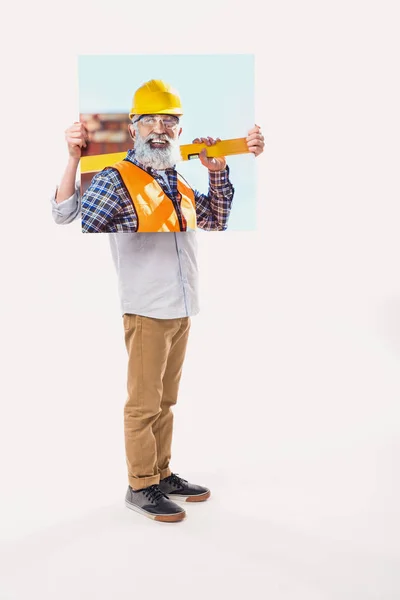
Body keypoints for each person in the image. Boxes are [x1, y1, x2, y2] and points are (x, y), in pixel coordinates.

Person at [51, 79, 265, 523]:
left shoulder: (177, 180)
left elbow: (216, 219)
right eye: (150, 120)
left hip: (182, 307)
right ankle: (140, 485)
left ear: (179, 131)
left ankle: (161, 474)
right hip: (147, 310)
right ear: (132, 129)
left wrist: (219, 171)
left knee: (166, 401)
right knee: (144, 404)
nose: (160, 129)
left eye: (169, 121)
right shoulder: (115, 177)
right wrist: (74, 159)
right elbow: (65, 215)